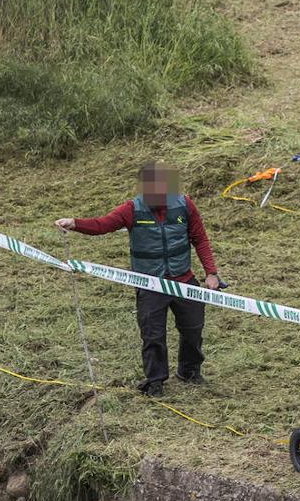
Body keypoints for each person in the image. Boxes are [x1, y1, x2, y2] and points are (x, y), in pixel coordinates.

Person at [55, 162, 220, 397]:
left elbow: (200, 239)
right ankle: (155, 381)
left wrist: (211, 273)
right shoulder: (132, 209)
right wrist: (75, 223)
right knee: (153, 335)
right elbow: (103, 225)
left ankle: (189, 370)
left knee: (193, 329)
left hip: (184, 280)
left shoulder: (185, 204)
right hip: (150, 284)